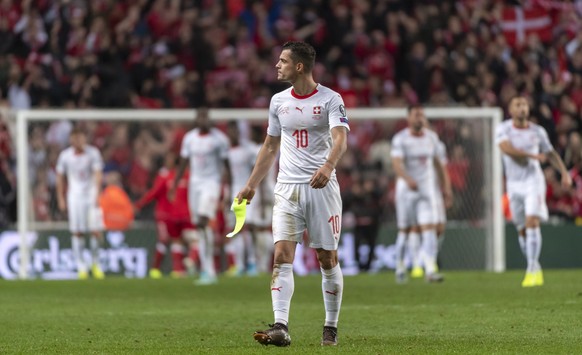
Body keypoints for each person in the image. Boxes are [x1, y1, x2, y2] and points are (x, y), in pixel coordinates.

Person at [236, 41, 350, 347]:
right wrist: (251, 184)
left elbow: (340, 140)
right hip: (286, 188)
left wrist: (328, 166)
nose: (277, 65)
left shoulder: (330, 99)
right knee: (282, 256)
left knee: (327, 258)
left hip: (321, 188)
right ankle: (281, 326)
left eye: (283, 61)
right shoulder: (278, 101)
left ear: (299, 66)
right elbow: (270, 146)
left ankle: (330, 326)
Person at [495, 96, 572, 287]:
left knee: (532, 221)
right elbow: (507, 150)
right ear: (510, 110)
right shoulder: (503, 129)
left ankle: (530, 268)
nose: (522, 108)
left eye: (524, 104)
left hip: (533, 182)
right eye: (517, 105)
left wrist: (564, 173)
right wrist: (533, 155)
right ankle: (535, 267)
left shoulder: (538, 131)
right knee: (522, 229)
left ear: (528, 109)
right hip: (513, 185)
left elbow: (550, 153)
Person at [391, 105, 452, 284]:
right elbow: (396, 163)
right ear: (409, 117)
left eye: (422, 115)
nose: (420, 118)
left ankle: (430, 269)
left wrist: (446, 187)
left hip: (426, 191)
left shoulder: (432, 138)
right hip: (406, 192)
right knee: (405, 231)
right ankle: (400, 266)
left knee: (429, 229)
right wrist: (407, 179)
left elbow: (438, 164)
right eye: (416, 115)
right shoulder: (400, 139)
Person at [171, 107, 231, 285]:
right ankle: (207, 269)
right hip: (194, 185)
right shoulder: (190, 138)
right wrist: (175, 184)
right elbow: (183, 162)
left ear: (209, 119)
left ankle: (210, 270)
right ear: (196, 120)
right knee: (199, 225)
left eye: (206, 117)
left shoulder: (219, 139)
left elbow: (226, 165)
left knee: (204, 221)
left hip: (211, 184)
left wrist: (229, 188)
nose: (203, 120)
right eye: (200, 117)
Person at [56, 128, 105, 280]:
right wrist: (61, 199)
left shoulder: (93, 153)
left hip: (91, 196)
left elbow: (98, 174)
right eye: (76, 138)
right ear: (71, 140)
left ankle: (96, 264)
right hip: (74, 197)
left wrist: (97, 193)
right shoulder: (65, 155)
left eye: (81, 137)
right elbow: (60, 177)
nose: (79, 141)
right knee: (78, 231)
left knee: (95, 231)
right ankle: (81, 266)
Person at [135, 152, 190, 279]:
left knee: (177, 240)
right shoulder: (165, 175)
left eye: (170, 159)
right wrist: (139, 204)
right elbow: (154, 192)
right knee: (164, 240)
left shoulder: (179, 175)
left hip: (175, 215)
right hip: (163, 215)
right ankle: (155, 269)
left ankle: (177, 269)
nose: (167, 161)